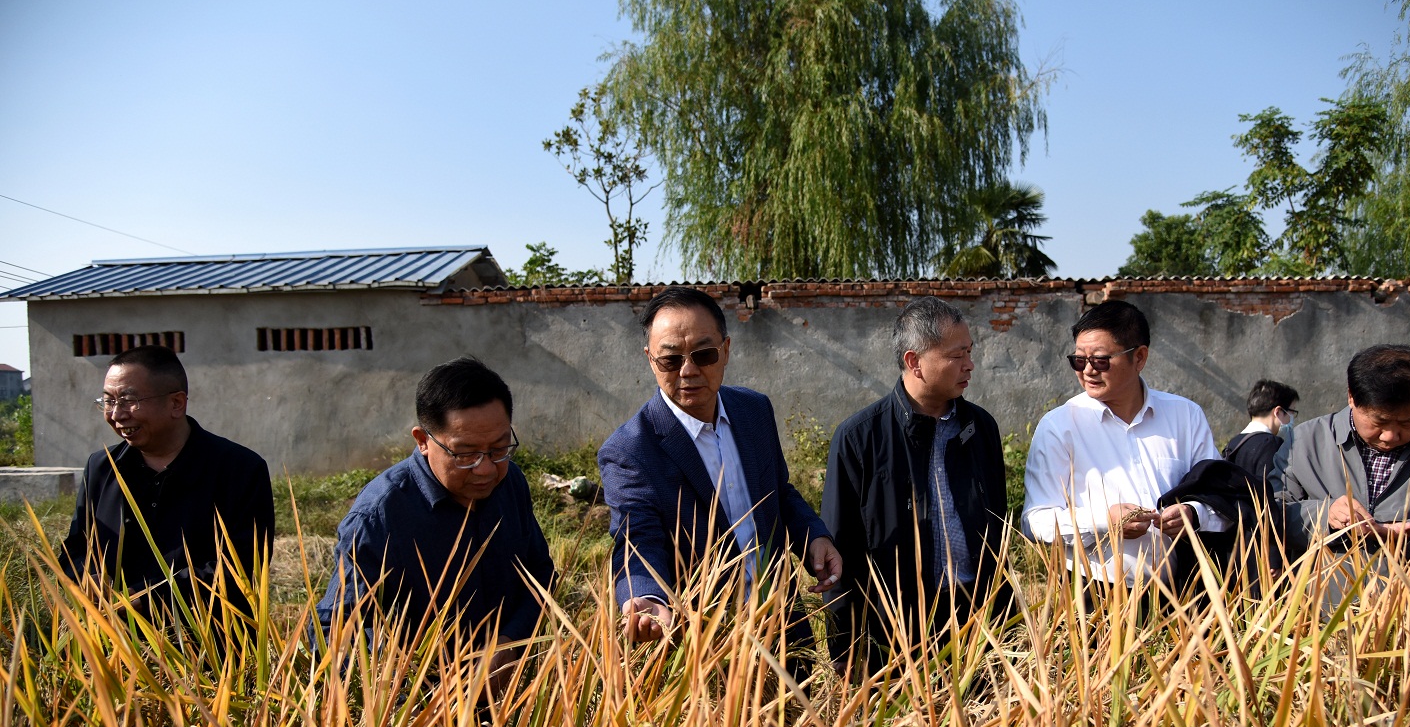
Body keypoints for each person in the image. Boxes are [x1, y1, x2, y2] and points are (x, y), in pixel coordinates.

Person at [598, 286, 840, 646]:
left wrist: (813, 535)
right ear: (650, 359)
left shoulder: (755, 411)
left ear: (725, 351)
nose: (689, 370)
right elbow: (636, 539)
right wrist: (646, 596)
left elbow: (778, 490)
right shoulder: (630, 450)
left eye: (704, 354)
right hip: (703, 644)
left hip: (781, 624)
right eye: (671, 359)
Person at [316, 356, 554, 668]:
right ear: (423, 440)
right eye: (465, 454)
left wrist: (508, 643)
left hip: (512, 691)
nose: (485, 469)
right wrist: (410, 678)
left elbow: (540, 575)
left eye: (499, 449)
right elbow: (334, 630)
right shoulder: (381, 517)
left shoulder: (510, 482)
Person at [821, 297, 1011, 666]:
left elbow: (998, 528)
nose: (970, 365)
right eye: (957, 356)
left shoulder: (980, 428)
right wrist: (848, 655)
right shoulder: (860, 438)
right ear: (914, 362)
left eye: (970, 352)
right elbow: (841, 553)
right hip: (896, 630)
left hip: (978, 618)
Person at [1022, 300, 1230, 588]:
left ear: (1140, 357)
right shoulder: (1059, 426)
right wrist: (1105, 522)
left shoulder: (1185, 416)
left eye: (1100, 360)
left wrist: (1195, 514)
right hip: (1094, 596)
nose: (1088, 371)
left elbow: (1223, 500)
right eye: (1079, 360)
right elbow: (1036, 521)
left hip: (1184, 594)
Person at [59, 345, 274, 614]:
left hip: (208, 642)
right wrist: (85, 581)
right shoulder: (102, 467)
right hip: (113, 642)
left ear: (176, 403)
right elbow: (77, 547)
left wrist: (145, 601)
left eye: (128, 400)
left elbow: (241, 566)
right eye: (109, 401)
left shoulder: (239, 469)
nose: (116, 415)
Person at [1274, 344, 1410, 593]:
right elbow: (1269, 515)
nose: (1390, 435)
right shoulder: (1303, 442)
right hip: (1318, 620)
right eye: (1379, 421)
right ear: (1351, 397)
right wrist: (1326, 516)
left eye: (1408, 422)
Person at [1223, 379, 1299, 488]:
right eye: (1292, 412)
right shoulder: (1272, 444)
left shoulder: (1233, 443)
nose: (1292, 419)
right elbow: (1273, 491)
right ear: (1278, 412)